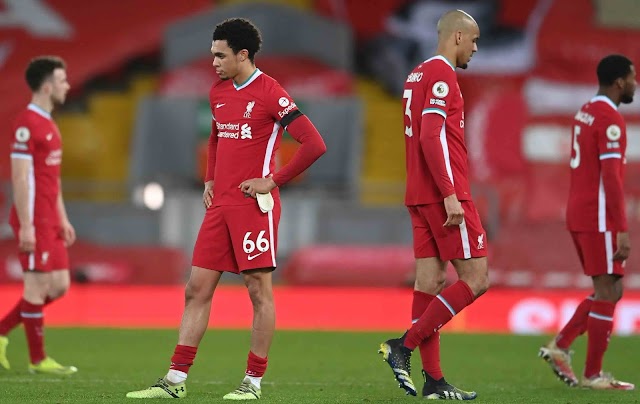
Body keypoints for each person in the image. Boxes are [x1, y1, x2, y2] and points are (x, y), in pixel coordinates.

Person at [126, 18, 326, 400]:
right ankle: (174, 381)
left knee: (258, 291)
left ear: (243, 55)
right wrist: (209, 180)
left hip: (254, 206)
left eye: (220, 55)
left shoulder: (271, 92)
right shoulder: (218, 92)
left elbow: (314, 143)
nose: (213, 62)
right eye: (212, 55)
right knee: (196, 288)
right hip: (221, 205)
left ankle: (252, 382)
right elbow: (216, 138)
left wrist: (274, 180)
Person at [377, 10, 489, 399]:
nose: (476, 48)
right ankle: (403, 346)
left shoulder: (416, 74)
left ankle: (435, 381)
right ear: (457, 36)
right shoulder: (442, 75)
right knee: (476, 279)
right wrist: (450, 193)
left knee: (430, 283)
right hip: (444, 195)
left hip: (417, 194)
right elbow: (431, 136)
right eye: (473, 40)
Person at [538, 55, 636, 391]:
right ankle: (592, 374)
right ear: (620, 81)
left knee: (610, 290)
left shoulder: (585, 111)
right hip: (598, 216)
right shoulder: (609, 119)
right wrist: (622, 227)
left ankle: (561, 346)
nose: (636, 83)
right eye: (633, 77)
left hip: (579, 211)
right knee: (609, 290)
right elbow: (611, 177)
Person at [0, 56, 77, 375]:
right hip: (33, 218)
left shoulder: (48, 122)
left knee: (59, 285)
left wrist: (62, 216)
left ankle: (2, 330)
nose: (68, 86)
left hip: (49, 217)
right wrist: (28, 226)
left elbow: (51, 178)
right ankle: (38, 359)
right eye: (62, 81)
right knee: (35, 289)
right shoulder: (26, 125)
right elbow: (20, 178)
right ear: (47, 87)